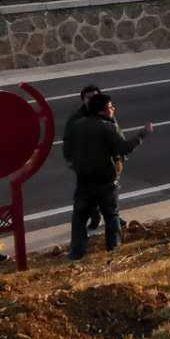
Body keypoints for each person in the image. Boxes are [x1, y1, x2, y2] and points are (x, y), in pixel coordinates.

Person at [66, 92, 152, 259]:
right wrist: (142, 134)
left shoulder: (77, 126)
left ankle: (76, 253)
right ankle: (114, 250)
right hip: (105, 181)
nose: (113, 109)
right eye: (111, 107)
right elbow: (124, 148)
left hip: (83, 180)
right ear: (103, 110)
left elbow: (68, 150)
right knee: (111, 215)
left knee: (79, 218)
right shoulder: (107, 127)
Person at [64, 84, 104, 236]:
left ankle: (112, 217)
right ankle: (94, 217)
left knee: (106, 191)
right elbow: (68, 140)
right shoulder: (76, 119)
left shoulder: (105, 113)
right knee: (87, 193)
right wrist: (70, 159)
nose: (93, 100)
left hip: (104, 161)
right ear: (83, 99)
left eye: (96, 96)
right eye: (89, 97)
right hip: (84, 163)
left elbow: (115, 134)